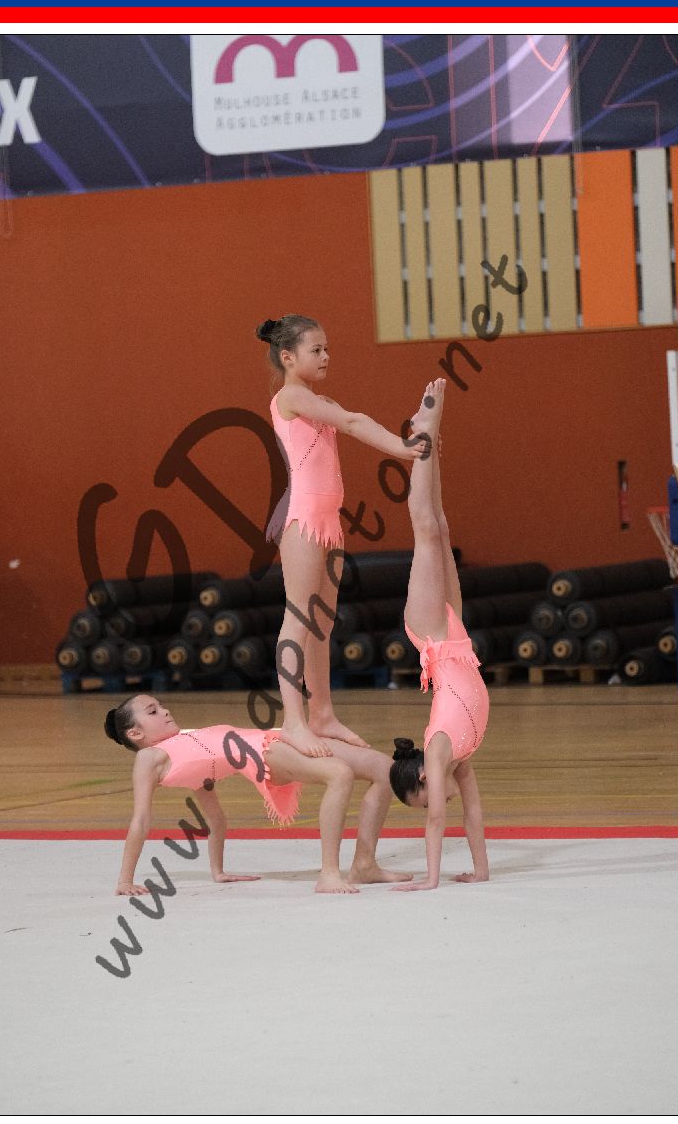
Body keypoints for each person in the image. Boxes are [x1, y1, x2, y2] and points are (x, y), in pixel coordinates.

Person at [257, 314, 429, 759]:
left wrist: (403, 447)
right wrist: (403, 448)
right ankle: (294, 721)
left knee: (322, 622)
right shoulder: (291, 396)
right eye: (316, 350)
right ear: (288, 357)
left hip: (328, 519)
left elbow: (348, 421)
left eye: (327, 349)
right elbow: (352, 422)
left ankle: (322, 714)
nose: (326, 356)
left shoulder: (318, 400)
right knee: (299, 617)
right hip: (301, 518)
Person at [105, 693, 412, 895]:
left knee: (383, 768)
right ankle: (329, 874)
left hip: (275, 738)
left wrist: (218, 871)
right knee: (339, 774)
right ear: (135, 733)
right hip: (263, 754)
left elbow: (215, 819)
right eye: (153, 711)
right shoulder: (149, 757)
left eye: (161, 706)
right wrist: (124, 880)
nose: (165, 710)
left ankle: (364, 865)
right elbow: (141, 821)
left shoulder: (186, 746)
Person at [388, 378, 490, 891]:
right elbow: (472, 813)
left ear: (424, 779)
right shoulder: (460, 760)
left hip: (430, 634)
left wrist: (430, 879)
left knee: (425, 529)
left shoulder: (438, 750)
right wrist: (481, 868)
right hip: (457, 639)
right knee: (442, 527)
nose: (434, 805)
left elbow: (436, 823)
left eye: (424, 799)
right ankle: (430, 445)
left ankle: (423, 435)